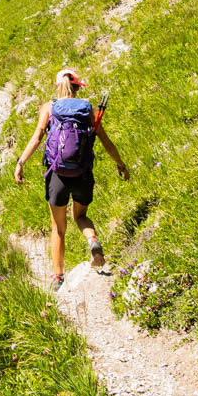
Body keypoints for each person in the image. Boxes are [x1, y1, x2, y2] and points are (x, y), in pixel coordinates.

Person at [14, 67, 130, 290]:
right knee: (80, 216)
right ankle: (92, 240)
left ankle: (58, 277)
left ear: (58, 86)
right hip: (82, 173)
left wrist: (21, 162)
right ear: (77, 87)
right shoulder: (87, 109)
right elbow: (106, 142)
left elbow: (37, 137)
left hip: (57, 175)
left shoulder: (49, 107)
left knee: (58, 227)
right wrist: (121, 165)